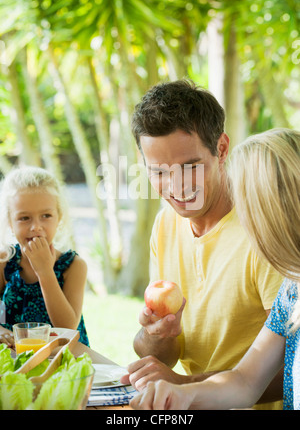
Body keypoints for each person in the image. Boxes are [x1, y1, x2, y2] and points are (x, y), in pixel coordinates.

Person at [121, 79, 283, 410]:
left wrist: (186, 386)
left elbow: (288, 366)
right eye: (159, 172)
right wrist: (156, 335)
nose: (176, 187)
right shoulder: (166, 224)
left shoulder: (264, 229)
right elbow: (167, 354)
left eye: (189, 166)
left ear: (221, 148)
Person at [0, 166, 89, 346]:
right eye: (24, 218)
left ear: (59, 217)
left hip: (61, 360)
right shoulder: (4, 261)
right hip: (15, 356)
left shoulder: (74, 266)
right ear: (10, 221)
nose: (36, 227)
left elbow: (68, 326)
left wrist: (45, 271)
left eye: (46, 216)